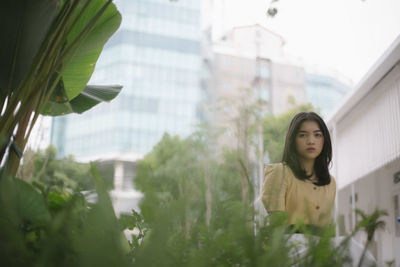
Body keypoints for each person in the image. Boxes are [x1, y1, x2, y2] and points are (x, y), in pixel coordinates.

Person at [261, 111, 336, 230]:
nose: (311, 141)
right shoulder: (279, 173)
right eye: (303, 135)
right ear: (293, 140)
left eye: (317, 135)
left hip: (320, 247)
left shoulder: (330, 182)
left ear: (324, 140)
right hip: (289, 245)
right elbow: (276, 226)